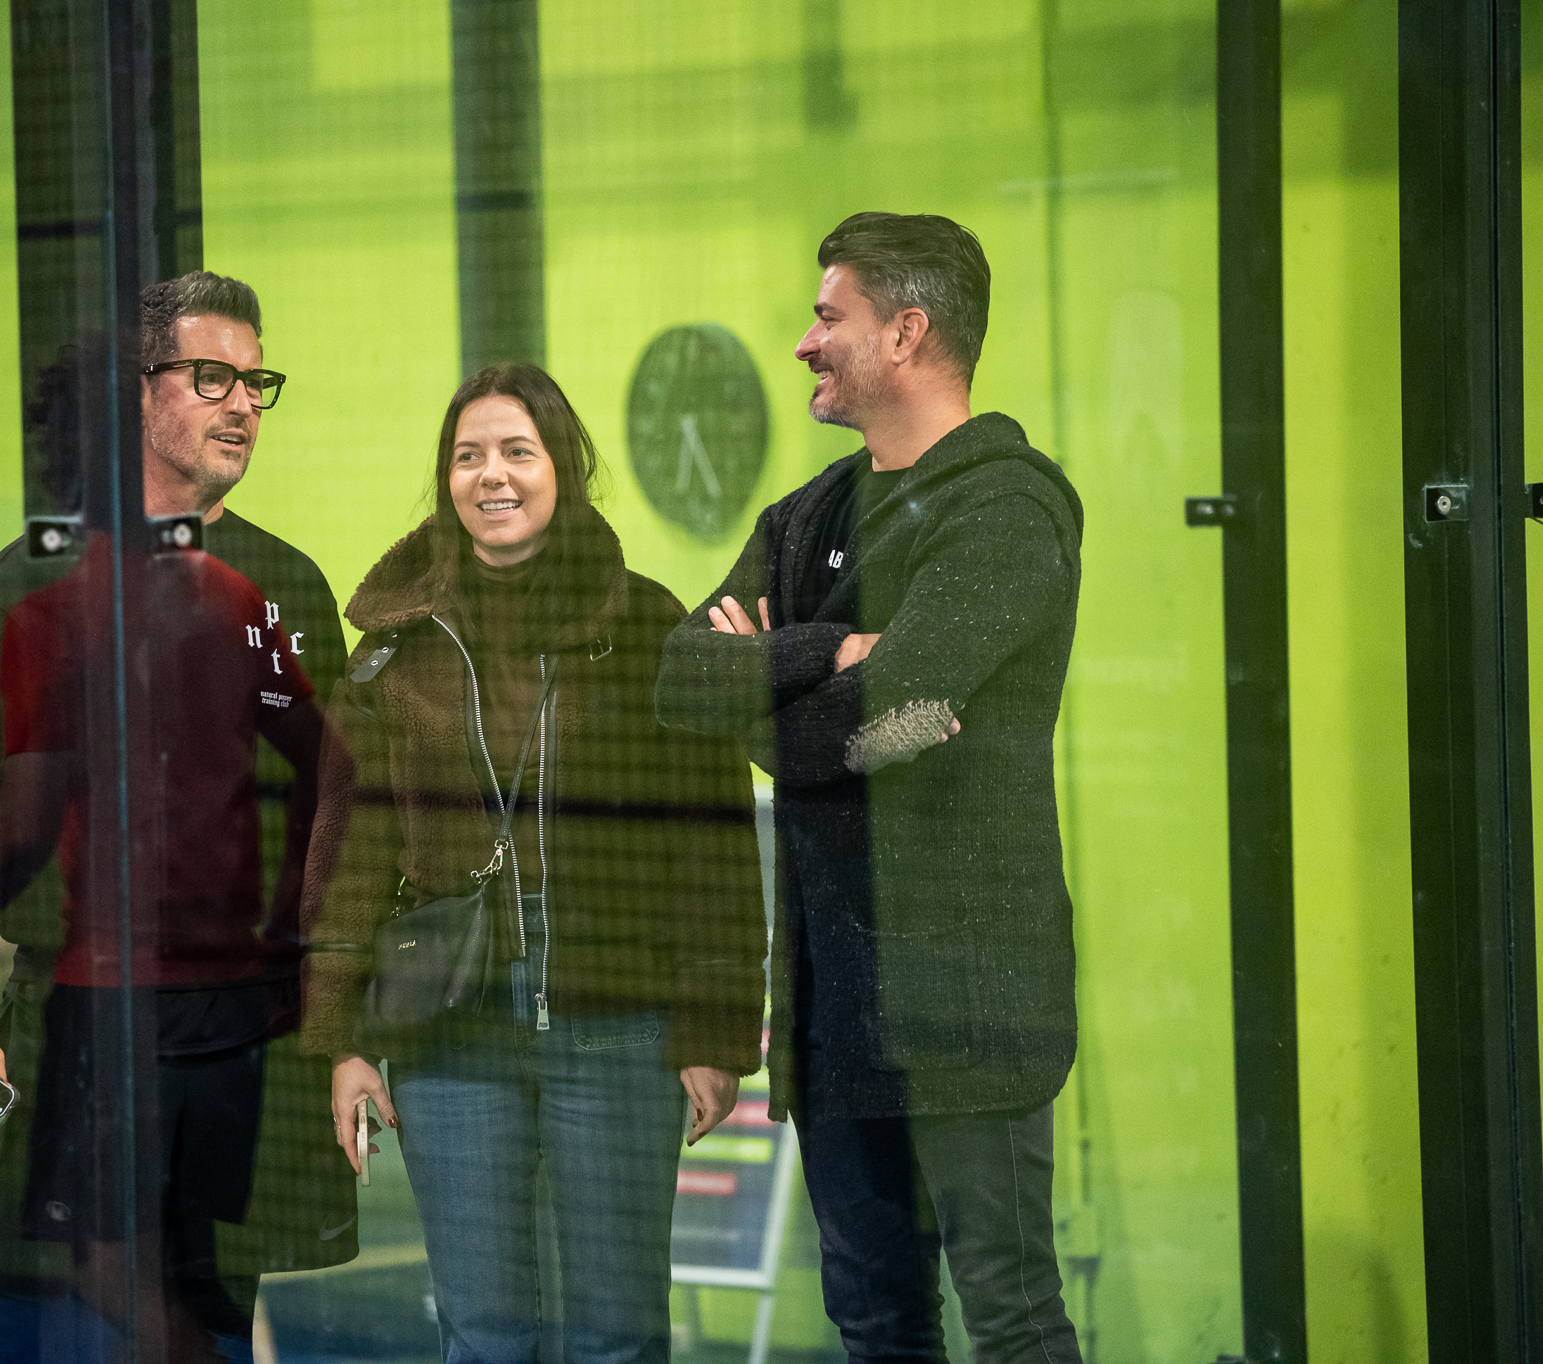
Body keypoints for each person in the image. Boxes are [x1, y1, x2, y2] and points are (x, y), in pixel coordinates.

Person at [0, 271, 354, 1361]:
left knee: (200, 1331)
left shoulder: (287, 585)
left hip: (234, 1040)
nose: (242, 405)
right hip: (78, 1032)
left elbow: (336, 828)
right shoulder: (31, 579)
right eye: (210, 377)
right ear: (138, 394)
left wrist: (342, 1023)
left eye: (255, 383)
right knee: (47, 1326)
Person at [654, 212, 1085, 1363]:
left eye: (825, 316)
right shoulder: (806, 517)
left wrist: (779, 689)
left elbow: (893, 712)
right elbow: (679, 678)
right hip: (831, 1012)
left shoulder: (1006, 509)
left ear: (905, 332)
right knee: (874, 1325)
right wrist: (823, 652)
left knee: (1009, 1315)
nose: (803, 342)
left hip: (970, 1005)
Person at [302, 362, 766, 1364]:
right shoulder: (394, 646)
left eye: (518, 451)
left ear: (564, 468)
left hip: (618, 1012)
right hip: (447, 1022)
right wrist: (341, 1036)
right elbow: (349, 846)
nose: (492, 475)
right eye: (467, 456)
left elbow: (711, 839)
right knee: (482, 1332)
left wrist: (716, 1027)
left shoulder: (647, 626)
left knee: (617, 1333)